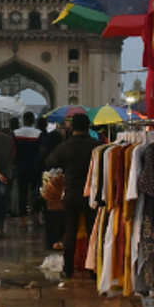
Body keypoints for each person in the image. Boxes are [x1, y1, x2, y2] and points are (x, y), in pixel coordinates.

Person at [45, 113, 98, 278]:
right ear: (88, 127)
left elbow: (50, 162)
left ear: (72, 127)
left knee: (70, 232)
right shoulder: (97, 146)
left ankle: (68, 268)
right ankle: (94, 269)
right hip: (91, 194)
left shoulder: (65, 146)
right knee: (93, 232)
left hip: (71, 194)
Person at [13, 111, 42, 232]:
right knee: (36, 192)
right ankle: (35, 217)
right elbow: (40, 151)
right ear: (33, 121)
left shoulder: (16, 133)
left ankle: (24, 221)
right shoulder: (38, 133)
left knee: (22, 194)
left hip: (21, 167)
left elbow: (13, 150)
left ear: (23, 120)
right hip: (34, 167)